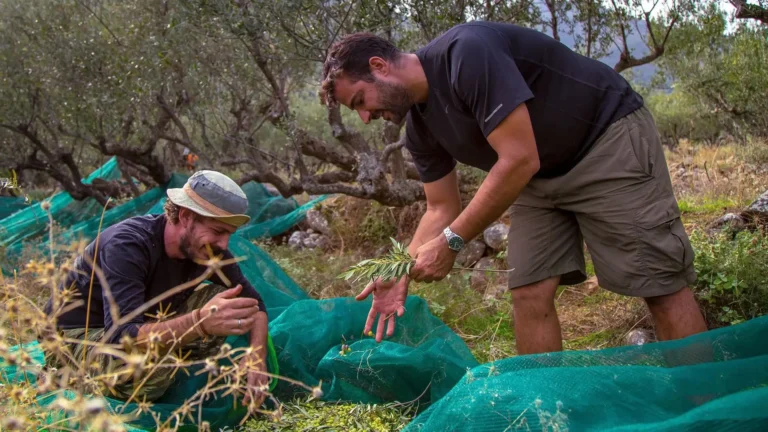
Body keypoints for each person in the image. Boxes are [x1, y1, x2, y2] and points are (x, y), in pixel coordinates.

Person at [319, 21, 708, 354]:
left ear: (379, 66)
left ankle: (705, 409)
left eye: (360, 101)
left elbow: (519, 158)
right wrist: (397, 268)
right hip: (539, 179)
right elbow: (440, 208)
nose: (366, 117)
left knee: (660, 285)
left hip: (605, 141)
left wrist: (452, 242)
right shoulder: (420, 130)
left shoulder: (465, 53)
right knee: (528, 291)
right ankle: (544, 412)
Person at [43, 170, 269, 404]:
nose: (223, 244)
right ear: (185, 216)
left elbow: (256, 305)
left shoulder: (208, 251)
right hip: (74, 337)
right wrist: (199, 323)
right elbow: (122, 336)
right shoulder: (127, 246)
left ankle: (167, 366)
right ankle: (68, 377)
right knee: (154, 364)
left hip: (135, 325)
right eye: (217, 231)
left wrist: (256, 357)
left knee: (228, 300)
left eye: (229, 234)